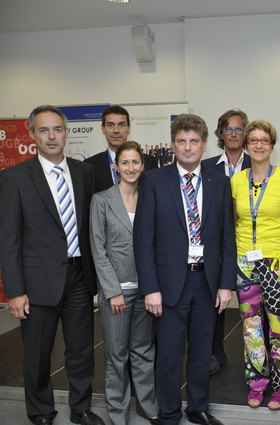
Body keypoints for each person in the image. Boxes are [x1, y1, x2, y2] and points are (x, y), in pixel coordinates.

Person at [0, 105, 104, 425]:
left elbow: (91, 227)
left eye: (57, 129)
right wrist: (14, 292)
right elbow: (9, 240)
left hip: (78, 277)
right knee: (37, 353)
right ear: (32, 135)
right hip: (37, 282)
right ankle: (41, 411)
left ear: (67, 132)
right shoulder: (14, 178)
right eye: (43, 130)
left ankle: (81, 408)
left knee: (81, 350)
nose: (51, 136)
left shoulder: (84, 173)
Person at [134, 114, 236, 425]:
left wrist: (225, 284)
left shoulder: (219, 182)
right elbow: (143, 240)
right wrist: (150, 288)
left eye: (194, 141)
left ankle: (197, 408)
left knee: (202, 351)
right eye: (182, 141)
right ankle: (168, 412)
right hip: (167, 285)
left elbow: (226, 238)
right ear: (173, 145)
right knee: (168, 355)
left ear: (204, 145)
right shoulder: (153, 181)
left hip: (206, 281)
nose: (188, 147)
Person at [231, 120, 280, 410]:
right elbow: (235, 221)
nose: (258, 145)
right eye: (253, 141)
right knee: (250, 328)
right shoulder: (236, 180)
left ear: (272, 145)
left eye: (264, 140)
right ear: (246, 145)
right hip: (245, 263)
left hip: (277, 263)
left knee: (279, 327)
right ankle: (257, 383)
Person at [89, 141, 159, 425]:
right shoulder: (102, 200)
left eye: (135, 162)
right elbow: (98, 248)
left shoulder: (150, 197)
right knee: (116, 355)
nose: (131, 168)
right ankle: (117, 412)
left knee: (143, 351)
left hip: (145, 291)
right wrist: (113, 291)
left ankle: (146, 404)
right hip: (115, 293)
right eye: (125, 163)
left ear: (143, 166)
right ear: (115, 166)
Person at [201, 108, 251, 376]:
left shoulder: (255, 164)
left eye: (239, 128)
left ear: (246, 133)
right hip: (215, 246)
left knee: (253, 304)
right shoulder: (207, 166)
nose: (233, 133)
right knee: (214, 301)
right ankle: (214, 353)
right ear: (221, 133)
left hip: (247, 246)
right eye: (228, 128)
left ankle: (258, 359)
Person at [84, 105, 157, 193]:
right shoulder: (90, 165)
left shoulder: (149, 162)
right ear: (103, 129)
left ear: (129, 129)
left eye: (121, 125)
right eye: (110, 125)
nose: (116, 130)